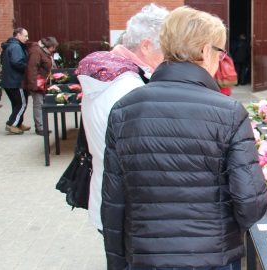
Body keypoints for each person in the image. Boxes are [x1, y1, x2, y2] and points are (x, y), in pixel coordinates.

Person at [100, 6, 267, 269]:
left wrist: (116, 262)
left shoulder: (124, 109)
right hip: (213, 256)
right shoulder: (229, 112)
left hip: (146, 256)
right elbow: (250, 205)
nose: (220, 59)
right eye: (220, 52)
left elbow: (113, 201)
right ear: (204, 52)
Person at [75, 3, 169, 234]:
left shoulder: (109, 75)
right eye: (167, 49)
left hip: (107, 197)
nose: (171, 58)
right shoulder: (130, 88)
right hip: (129, 208)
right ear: (146, 46)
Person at [24, 37, 58, 135]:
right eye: (53, 47)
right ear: (47, 46)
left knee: (40, 104)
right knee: (38, 104)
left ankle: (42, 126)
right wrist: (32, 84)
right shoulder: (36, 51)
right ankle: (40, 128)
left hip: (43, 82)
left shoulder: (44, 51)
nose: (54, 50)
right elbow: (32, 68)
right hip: (37, 83)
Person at [0, 28, 30, 134]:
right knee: (22, 103)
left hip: (9, 80)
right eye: (25, 36)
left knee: (16, 103)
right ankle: (12, 124)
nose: (27, 38)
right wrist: (28, 68)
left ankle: (18, 123)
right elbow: (17, 62)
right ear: (18, 35)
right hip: (16, 80)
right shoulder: (16, 47)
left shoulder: (9, 46)